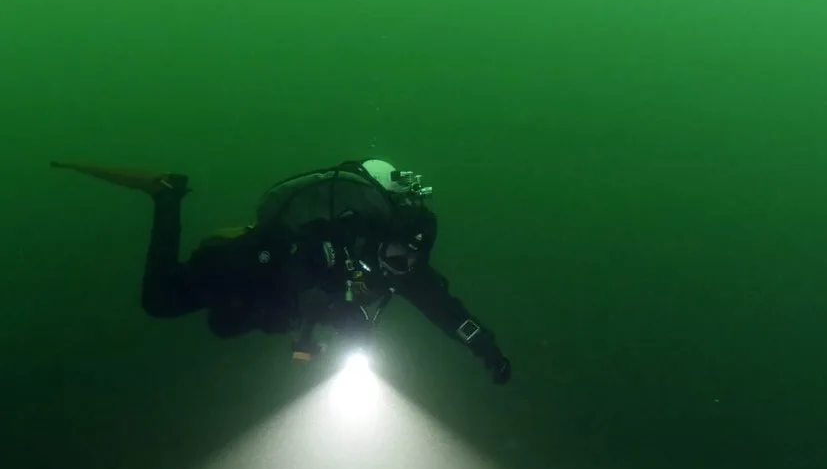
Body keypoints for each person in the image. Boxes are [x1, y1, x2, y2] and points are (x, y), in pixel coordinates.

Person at [51, 158, 511, 382]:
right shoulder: (341, 232)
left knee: (217, 321)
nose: (398, 269)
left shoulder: (407, 272)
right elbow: (303, 270)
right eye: (394, 256)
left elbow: (445, 310)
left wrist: (484, 344)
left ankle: (168, 199)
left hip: (265, 301)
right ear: (379, 232)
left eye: (409, 262)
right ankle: (167, 195)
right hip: (249, 264)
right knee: (161, 301)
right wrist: (327, 309)